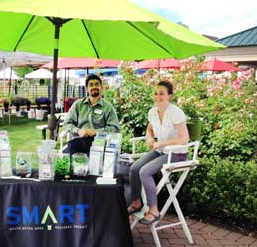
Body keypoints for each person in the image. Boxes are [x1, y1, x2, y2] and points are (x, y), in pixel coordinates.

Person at [127, 81, 189, 224]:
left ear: (170, 96)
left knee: (145, 172)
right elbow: (149, 129)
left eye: (162, 93)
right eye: (155, 93)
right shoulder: (152, 112)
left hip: (176, 154)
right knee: (134, 169)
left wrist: (162, 143)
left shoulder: (176, 112)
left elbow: (184, 139)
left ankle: (154, 210)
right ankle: (136, 203)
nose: (158, 96)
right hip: (161, 152)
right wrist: (150, 138)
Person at [63, 74, 119, 155]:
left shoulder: (108, 107)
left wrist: (96, 132)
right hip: (79, 141)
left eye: (97, 84)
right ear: (87, 89)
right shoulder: (78, 105)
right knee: (66, 159)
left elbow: (115, 128)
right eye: (91, 85)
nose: (94, 87)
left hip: (99, 142)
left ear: (101, 87)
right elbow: (67, 124)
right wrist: (78, 131)